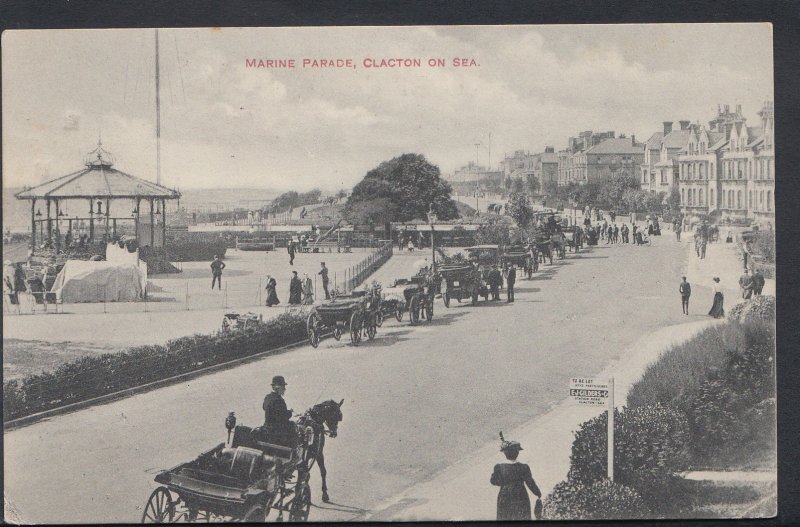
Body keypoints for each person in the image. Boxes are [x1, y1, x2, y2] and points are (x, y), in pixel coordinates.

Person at [490, 439, 541, 521]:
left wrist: (502, 480)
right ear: (517, 453)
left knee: (505, 517)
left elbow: (494, 481)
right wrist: (538, 493)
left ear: (505, 453)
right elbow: (530, 483)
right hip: (521, 496)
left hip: (505, 496)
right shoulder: (524, 467)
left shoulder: (499, 467)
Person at [262, 376, 296, 448]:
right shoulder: (279, 400)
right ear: (277, 388)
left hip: (266, 427)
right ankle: (293, 452)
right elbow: (283, 417)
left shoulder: (268, 397)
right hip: (277, 432)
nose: (285, 389)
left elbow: (264, 408)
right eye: (283, 387)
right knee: (294, 427)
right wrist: (290, 412)